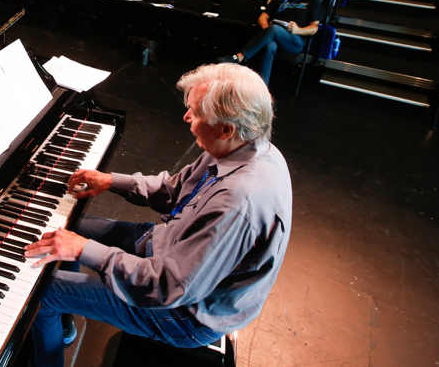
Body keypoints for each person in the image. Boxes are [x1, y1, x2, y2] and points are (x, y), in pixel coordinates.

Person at [25, 62, 292, 367]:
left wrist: (83, 248)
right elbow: (174, 190)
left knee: (41, 294)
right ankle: (62, 322)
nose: (186, 117)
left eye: (195, 112)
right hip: (166, 247)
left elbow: (166, 287)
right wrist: (111, 180)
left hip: (184, 314)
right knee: (63, 224)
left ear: (226, 128)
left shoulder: (237, 202)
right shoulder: (242, 144)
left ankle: (52, 331)